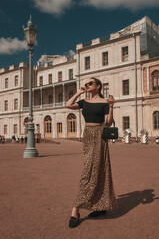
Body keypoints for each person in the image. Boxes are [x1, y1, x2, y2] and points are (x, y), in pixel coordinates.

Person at [66, 77, 118, 228]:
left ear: (98, 86)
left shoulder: (104, 102)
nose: (87, 85)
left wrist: (112, 106)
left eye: (90, 83)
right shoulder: (84, 102)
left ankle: (83, 208)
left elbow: (108, 123)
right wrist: (78, 92)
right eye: (86, 84)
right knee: (88, 169)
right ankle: (85, 205)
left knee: (100, 169)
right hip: (88, 134)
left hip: (100, 134)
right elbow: (68, 105)